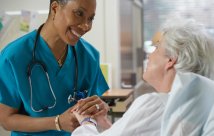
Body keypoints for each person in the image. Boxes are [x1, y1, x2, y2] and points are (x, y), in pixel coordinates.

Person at [70, 17, 214, 136]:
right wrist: (105, 123)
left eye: (156, 48)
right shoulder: (190, 109)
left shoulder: (156, 104)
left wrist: (86, 122)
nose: (150, 55)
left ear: (171, 59)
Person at [0, 0, 109, 135]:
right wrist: (57, 122)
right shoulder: (13, 57)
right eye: (79, 13)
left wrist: (99, 108)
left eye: (91, 18)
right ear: (55, 8)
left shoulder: (89, 57)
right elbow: (6, 120)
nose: (86, 25)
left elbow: (88, 111)